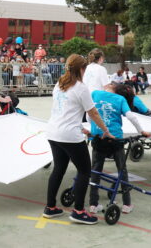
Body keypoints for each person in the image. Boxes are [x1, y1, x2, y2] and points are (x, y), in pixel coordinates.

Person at [43, 54, 113, 225]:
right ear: (82, 69)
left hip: (53, 132)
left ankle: (50, 207)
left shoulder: (60, 84)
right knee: (84, 171)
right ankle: (79, 211)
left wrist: (80, 127)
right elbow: (93, 112)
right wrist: (105, 130)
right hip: (69, 136)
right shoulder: (81, 88)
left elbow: (63, 110)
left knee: (58, 168)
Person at [88, 83, 151, 214]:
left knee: (96, 170)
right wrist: (141, 131)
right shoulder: (120, 100)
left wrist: (93, 127)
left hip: (99, 137)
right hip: (115, 139)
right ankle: (127, 204)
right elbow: (131, 116)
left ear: (112, 87)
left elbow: (89, 114)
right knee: (122, 170)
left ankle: (93, 204)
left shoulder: (95, 94)